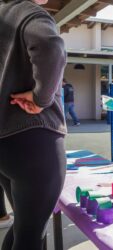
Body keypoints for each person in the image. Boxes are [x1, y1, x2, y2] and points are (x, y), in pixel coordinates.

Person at [0, 0, 67, 249]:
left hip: (6, 142)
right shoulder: (29, 13)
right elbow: (50, 47)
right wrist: (41, 99)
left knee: (24, 229)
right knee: (30, 235)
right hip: (35, 137)